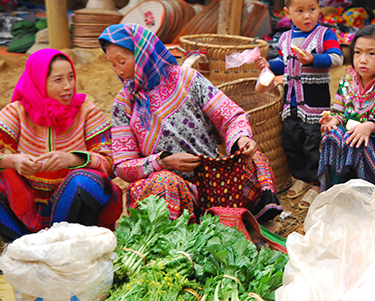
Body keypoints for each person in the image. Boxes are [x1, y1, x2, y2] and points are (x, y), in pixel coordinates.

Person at [99, 24, 282, 221]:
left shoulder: (186, 79)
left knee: (255, 159)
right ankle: (181, 232)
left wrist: (241, 139)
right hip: (171, 190)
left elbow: (230, 116)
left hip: (214, 181)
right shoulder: (125, 103)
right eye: (113, 64)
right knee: (164, 182)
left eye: (122, 61)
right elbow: (123, 165)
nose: (118, 70)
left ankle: (250, 220)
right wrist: (163, 162)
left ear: (143, 54)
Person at [0, 49, 123, 241]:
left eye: (71, 77)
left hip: (75, 205)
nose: (68, 86)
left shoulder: (87, 112)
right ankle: (22, 244)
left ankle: (66, 242)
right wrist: (12, 161)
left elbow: (112, 163)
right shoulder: (17, 112)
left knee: (84, 181)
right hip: (27, 205)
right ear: (39, 81)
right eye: (58, 80)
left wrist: (73, 159)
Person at [255, 0, 343, 206]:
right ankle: (301, 178)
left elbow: (337, 58)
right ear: (287, 13)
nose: (307, 16)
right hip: (290, 104)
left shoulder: (324, 34)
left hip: (315, 104)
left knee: (313, 143)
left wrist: (313, 59)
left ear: (318, 9)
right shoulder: (284, 38)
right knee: (292, 141)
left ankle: (316, 183)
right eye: (300, 10)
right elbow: (282, 64)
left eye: (312, 9)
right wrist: (268, 65)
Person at [317, 25, 375, 201]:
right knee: (333, 135)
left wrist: (370, 127)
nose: (363, 60)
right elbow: (339, 112)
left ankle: (372, 192)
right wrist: (332, 120)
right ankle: (335, 191)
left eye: (371, 54)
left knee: (358, 140)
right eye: (357, 53)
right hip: (347, 141)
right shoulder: (346, 80)